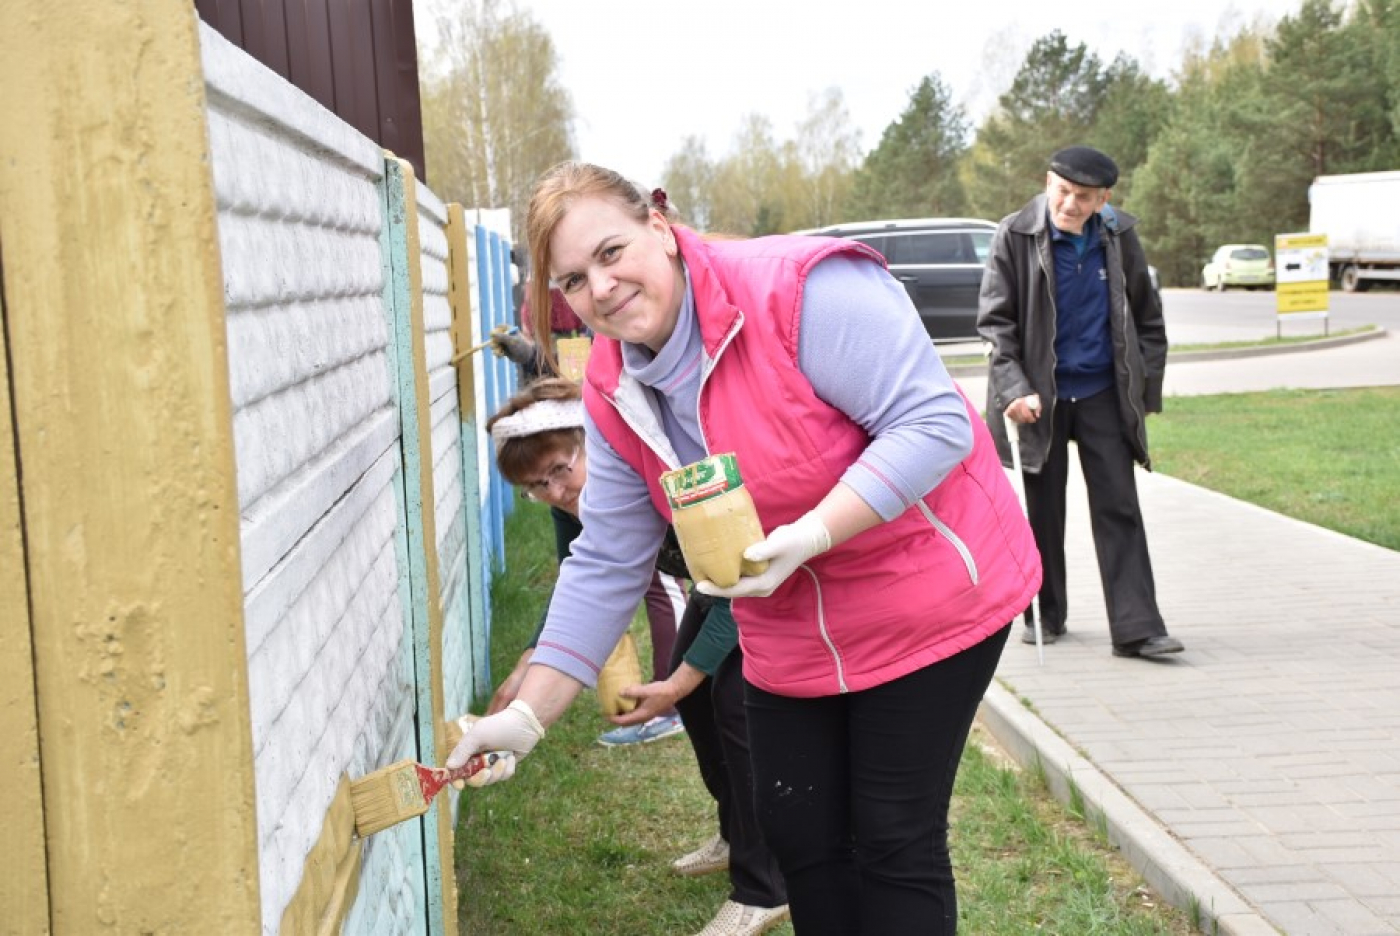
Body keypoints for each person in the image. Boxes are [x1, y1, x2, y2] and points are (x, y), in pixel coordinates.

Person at [447, 161, 1041, 936]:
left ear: (659, 224)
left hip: (926, 598)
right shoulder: (611, 385)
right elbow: (608, 555)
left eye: (611, 251)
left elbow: (933, 424)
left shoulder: (800, 292)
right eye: (571, 281)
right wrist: (528, 714)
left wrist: (816, 532)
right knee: (802, 835)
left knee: (892, 836)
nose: (600, 287)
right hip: (785, 622)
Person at [976, 145, 1184, 659]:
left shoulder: (1119, 236)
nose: (1071, 204)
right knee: (1043, 510)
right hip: (1037, 398)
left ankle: (1137, 627)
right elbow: (995, 327)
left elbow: (1147, 319)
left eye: (1084, 197)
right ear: (1048, 182)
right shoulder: (1014, 234)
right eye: (1064, 191)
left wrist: (1144, 388)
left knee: (1119, 506)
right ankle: (1045, 613)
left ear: (1104, 198)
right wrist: (1013, 388)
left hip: (1102, 395)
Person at [484, 377, 687, 746]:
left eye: (561, 469)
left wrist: (677, 684)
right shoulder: (569, 505)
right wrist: (527, 665)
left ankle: (673, 710)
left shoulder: (642, 478)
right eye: (537, 486)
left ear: (588, 439)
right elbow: (574, 584)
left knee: (664, 590)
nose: (556, 492)